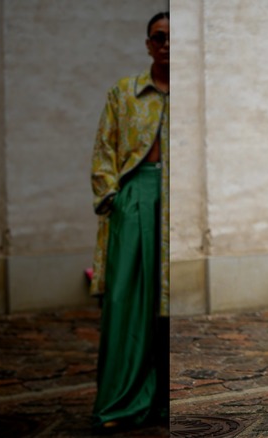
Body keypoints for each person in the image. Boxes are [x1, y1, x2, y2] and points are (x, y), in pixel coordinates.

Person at [89, 11, 170, 431]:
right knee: (127, 301)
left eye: (173, 38)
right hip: (135, 199)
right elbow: (104, 150)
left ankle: (164, 400)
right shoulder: (124, 93)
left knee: (169, 304)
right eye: (159, 37)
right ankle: (121, 401)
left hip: (176, 203)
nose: (167, 45)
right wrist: (113, 198)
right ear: (148, 44)